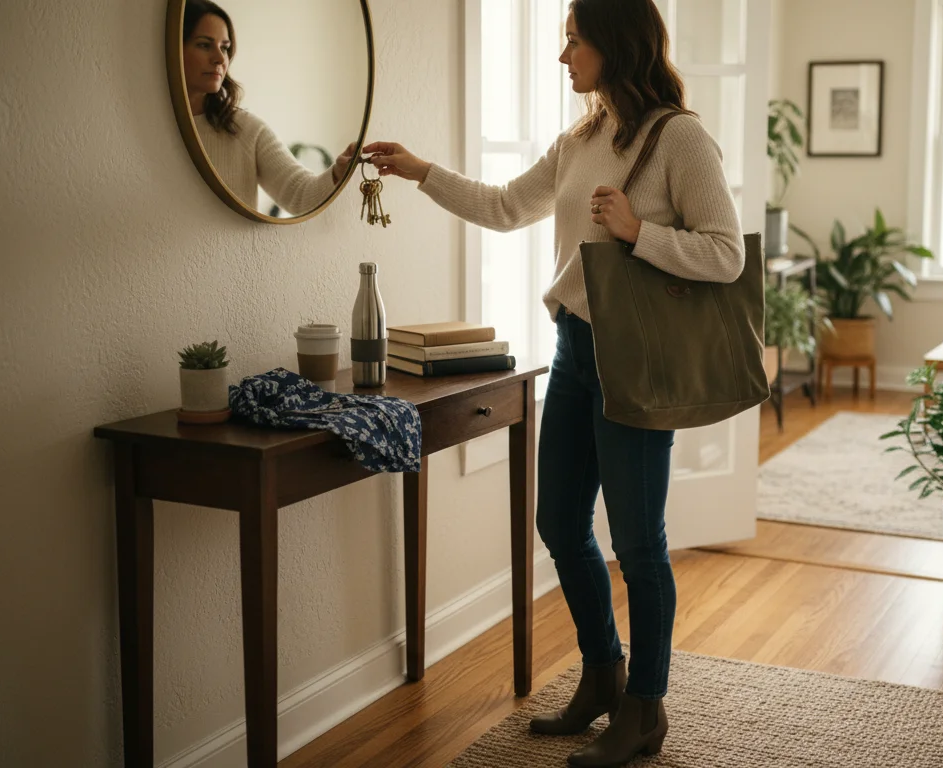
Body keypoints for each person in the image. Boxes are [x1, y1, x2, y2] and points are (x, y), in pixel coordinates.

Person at [366, 1, 744, 765]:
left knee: (640, 543)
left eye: (574, 41)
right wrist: (420, 172)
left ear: (615, 42)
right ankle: (603, 673)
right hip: (574, 352)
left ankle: (646, 708)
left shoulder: (681, 137)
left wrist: (642, 233)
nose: (563, 56)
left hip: (636, 360)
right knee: (560, 522)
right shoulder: (580, 139)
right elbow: (507, 207)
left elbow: (727, 254)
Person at [182, 0, 355, 215]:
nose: (219, 58)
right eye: (204, 45)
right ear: (175, 49)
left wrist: (337, 172)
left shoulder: (245, 129)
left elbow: (300, 196)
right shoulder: (148, 124)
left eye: (225, 48)